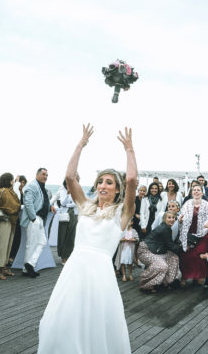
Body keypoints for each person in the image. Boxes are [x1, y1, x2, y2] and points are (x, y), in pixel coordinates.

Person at [38, 124, 137, 354]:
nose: (103, 185)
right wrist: (81, 144)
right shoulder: (84, 206)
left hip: (100, 274)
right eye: (101, 181)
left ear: (117, 190)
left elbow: (131, 180)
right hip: (74, 269)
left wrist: (129, 150)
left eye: (109, 182)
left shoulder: (121, 214)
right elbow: (70, 176)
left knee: (96, 324)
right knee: (62, 320)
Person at [179, 185, 208, 286]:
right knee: (186, 254)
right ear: (192, 192)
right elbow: (181, 216)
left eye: (198, 190)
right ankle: (185, 276)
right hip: (189, 234)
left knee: (199, 254)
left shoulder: (206, 204)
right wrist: (180, 219)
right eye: (194, 190)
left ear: (202, 193)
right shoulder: (187, 203)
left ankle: (199, 276)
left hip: (203, 234)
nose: (196, 192)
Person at [20, 168, 56, 277]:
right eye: (43, 174)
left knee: (42, 242)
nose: (45, 177)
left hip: (40, 219)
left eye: (47, 175)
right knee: (31, 244)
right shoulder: (32, 186)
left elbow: (41, 201)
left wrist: (50, 206)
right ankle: (26, 269)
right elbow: (28, 202)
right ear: (37, 174)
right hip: (35, 219)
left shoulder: (41, 187)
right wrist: (33, 218)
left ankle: (29, 264)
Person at [137, 211, 181, 292]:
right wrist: (183, 248)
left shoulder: (167, 228)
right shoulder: (164, 229)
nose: (171, 219)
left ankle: (167, 281)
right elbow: (171, 245)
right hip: (145, 250)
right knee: (162, 266)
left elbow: (169, 245)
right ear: (164, 219)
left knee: (173, 258)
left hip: (155, 250)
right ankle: (146, 284)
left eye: (173, 218)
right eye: (169, 217)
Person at [0, 173, 20, 280]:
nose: (13, 182)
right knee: (1, 245)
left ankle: (3, 266)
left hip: (9, 220)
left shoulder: (8, 191)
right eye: (12, 180)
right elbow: (11, 205)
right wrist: (16, 208)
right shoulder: (3, 191)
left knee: (8, 244)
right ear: (9, 181)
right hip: (4, 220)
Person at [55, 178, 79, 263]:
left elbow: (77, 202)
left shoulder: (76, 190)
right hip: (65, 215)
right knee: (63, 236)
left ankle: (68, 255)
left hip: (74, 215)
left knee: (71, 236)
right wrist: (68, 194)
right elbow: (63, 203)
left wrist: (69, 205)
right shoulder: (63, 190)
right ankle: (63, 256)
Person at [8, 175, 27, 266]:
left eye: (24, 183)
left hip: (20, 218)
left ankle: (14, 256)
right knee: (13, 237)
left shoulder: (22, 192)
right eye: (21, 182)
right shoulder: (14, 191)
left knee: (18, 238)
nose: (22, 184)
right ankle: (10, 257)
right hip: (14, 217)